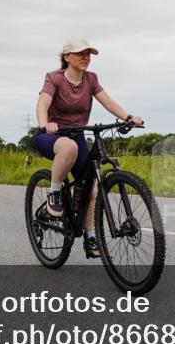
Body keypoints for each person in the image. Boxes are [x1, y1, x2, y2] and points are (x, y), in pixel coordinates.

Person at [34, 37, 144, 258]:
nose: (86, 58)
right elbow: (43, 103)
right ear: (67, 57)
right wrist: (45, 124)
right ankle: (54, 194)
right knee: (69, 148)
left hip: (77, 135)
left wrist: (128, 117)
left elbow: (108, 102)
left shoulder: (91, 79)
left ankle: (91, 237)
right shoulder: (54, 78)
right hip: (52, 135)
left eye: (89, 54)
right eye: (80, 53)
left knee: (91, 190)